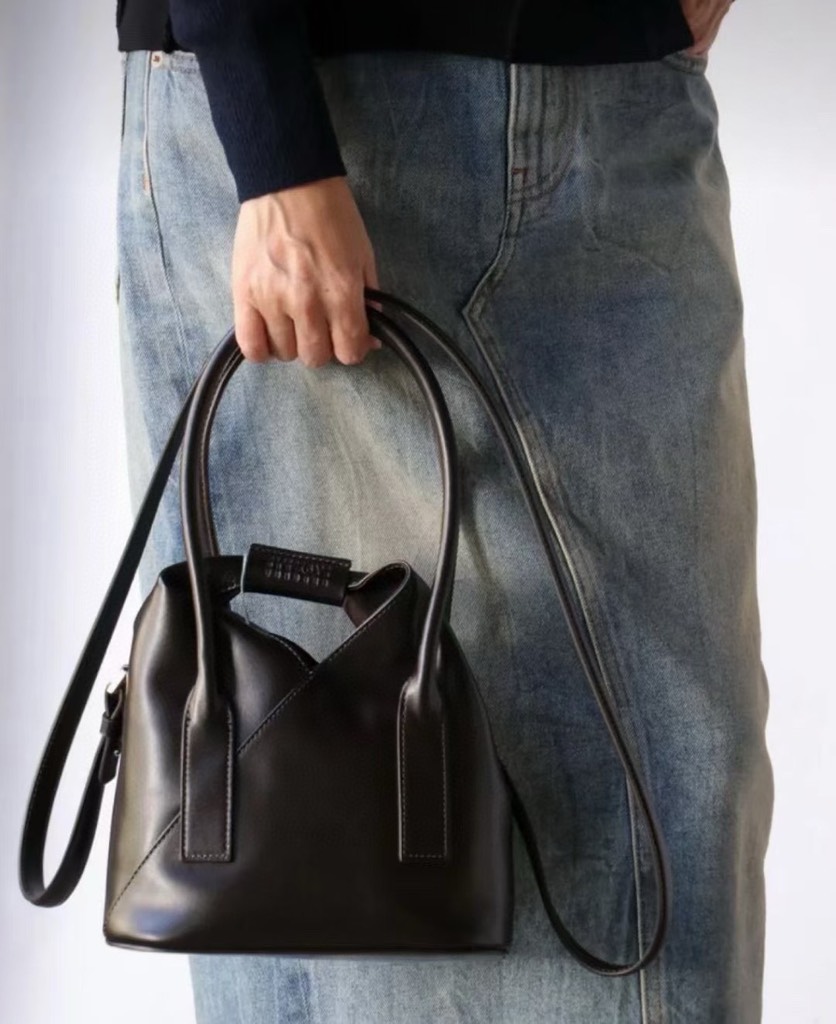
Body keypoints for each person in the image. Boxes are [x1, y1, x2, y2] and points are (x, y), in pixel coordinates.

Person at [114, 0, 774, 1020]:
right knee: (337, 861)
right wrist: (272, 135)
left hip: (618, 104)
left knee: (677, 796)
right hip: (325, 136)